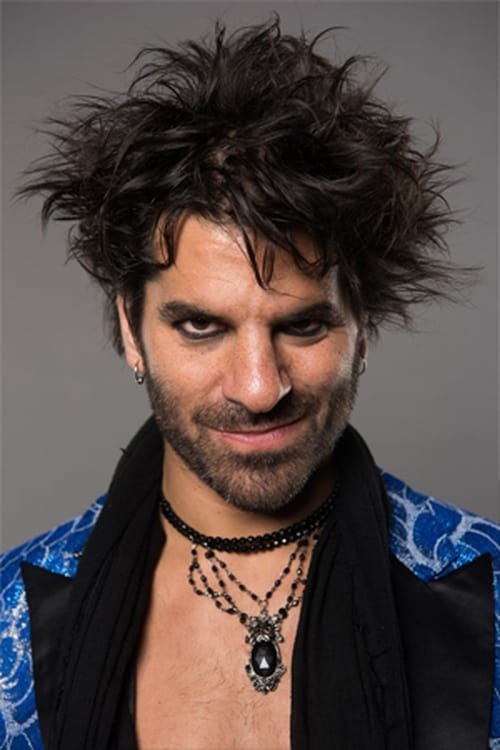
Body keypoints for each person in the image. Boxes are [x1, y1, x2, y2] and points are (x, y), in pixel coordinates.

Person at [1, 18, 498, 750]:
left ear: (363, 328)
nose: (261, 388)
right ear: (131, 331)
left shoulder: (487, 595)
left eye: (303, 326)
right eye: (202, 326)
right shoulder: (9, 622)